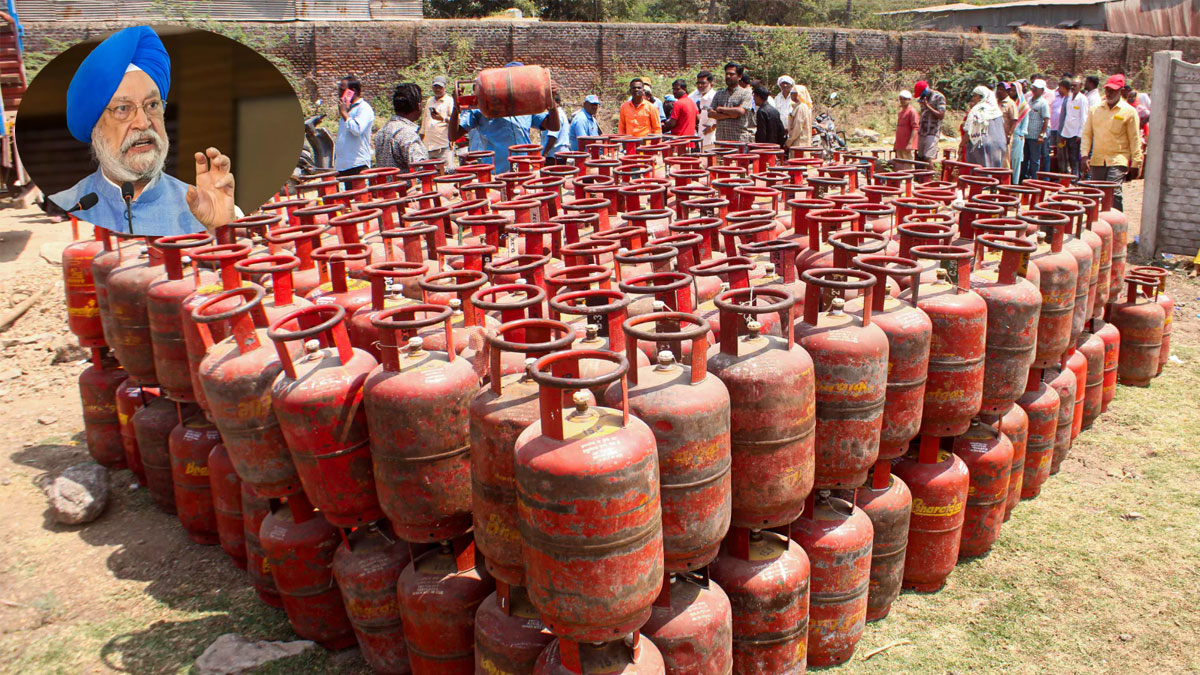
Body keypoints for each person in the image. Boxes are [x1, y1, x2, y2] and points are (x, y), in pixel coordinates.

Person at [48, 26, 234, 236]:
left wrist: (221, 229)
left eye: (152, 105)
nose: (143, 122)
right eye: (123, 109)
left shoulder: (197, 203)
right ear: (95, 129)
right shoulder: (70, 207)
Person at [448, 62, 560, 175]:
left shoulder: (527, 107)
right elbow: (453, 135)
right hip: (495, 172)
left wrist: (551, 99)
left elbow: (553, 126)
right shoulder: (482, 107)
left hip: (524, 169)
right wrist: (455, 109)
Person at [1081, 74, 1143, 210]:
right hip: (1098, 159)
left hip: (1118, 159)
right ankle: (1095, 225)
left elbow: (1134, 139)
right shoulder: (1095, 110)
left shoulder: (1129, 112)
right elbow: (1087, 135)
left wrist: (1136, 163)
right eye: (1107, 89)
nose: (1109, 93)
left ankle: (1116, 225)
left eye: (1113, 90)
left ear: (1120, 91)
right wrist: (1084, 155)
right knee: (1094, 192)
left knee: (1113, 192)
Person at [373, 83, 429, 172]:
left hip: (386, 184)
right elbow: (421, 169)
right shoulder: (407, 133)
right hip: (406, 185)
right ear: (419, 106)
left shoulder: (382, 131)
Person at [334, 75, 375, 177]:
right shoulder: (348, 109)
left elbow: (357, 130)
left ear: (353, 91)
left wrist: (344, 113)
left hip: (357, 164)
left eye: (342, 90)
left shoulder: (364, 108)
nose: (339, 94)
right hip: (343, 165)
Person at [707, 62, 754, 144]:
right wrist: (731, 114)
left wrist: (721, 109)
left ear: (739, 77)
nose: (728, 76)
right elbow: (710, 113)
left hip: (739, 140)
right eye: (727, 74)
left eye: (731, 74)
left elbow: (741, 111)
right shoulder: (719, 93)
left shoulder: (745, 93)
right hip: (721, 140)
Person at [962, 85, 1006, 168]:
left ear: (982, 97)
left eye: (975, 96)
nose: (973, 98)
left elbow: (969, 130)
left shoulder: (977, 109)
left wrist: (961, 145)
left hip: (982, 145)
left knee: (981, 173)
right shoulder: (997, 111)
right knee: (995, 172)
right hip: (1000, 145)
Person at [421, 75, 456, 169]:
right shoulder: (430, 101)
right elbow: (425, 119)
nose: (437, 90)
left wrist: (442, 118)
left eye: (440, 87)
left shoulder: (449, 101)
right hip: (429, 145)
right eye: (435, 87)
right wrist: (421, 135)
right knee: (431, 175)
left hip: (443, 145)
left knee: (447, 174)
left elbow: (455, 122)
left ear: (445, 87)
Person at [1057, 78, 1089, 178]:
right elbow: (1067, 117)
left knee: (1076, 157)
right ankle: (1072, 176)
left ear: (1080, 86)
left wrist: (1080, 134)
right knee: (1070, 157)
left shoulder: (1082, 99)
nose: (1073, 87)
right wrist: (1063, 134)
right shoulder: (1069, 98)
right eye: (1072, 85)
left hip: (1076, 134)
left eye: (1075, 85)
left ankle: (1077, 176)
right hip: (1068, 132)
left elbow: (1084, 118)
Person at [1021, 79, 1051, 181]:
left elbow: (1046, 120)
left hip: (1036, 136)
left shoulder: (1043, 103)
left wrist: (1042, 135)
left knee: (1035, 160)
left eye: (1036, 88)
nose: (1033, 90)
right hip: (1026, 135)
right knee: (1025, 159)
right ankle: (1024, 179)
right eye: (1033, 88)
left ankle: (1034, 180)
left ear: (1042, 90)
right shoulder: (1028, 100)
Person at [913, 80, 946, 163]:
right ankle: (919, 175)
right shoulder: (922, 99)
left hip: (932, 131)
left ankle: (930, 175)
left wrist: (927, 106)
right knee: (920, 157)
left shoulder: (939, 97)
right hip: (922, 131)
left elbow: (941, 115)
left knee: (928, 157)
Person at [1007, 82, 1031, 184]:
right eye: (1010, 90)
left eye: (1013, 91)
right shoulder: (1007, 103)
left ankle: (1015, 183)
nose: (1011, 93)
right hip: (1006, 135)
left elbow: (1024, 124)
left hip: (1017, 136)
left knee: (1015, 160)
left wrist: (1020, 135)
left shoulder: (1023, 106)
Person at [541, 92, 571, 164]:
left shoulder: (557, 116)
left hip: (554, 155)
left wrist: (544, 154)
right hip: (557, 153)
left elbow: (553, 137)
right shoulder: (560, 114)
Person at [691, 70, 717, 148]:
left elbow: (719, 116)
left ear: (711, 84)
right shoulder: (701, 97)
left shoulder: (713, 97)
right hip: (703, 136)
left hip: (711, 137)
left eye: (703, 83)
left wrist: (712, 128)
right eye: (698, 83)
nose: (700, 85)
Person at [786, 84, 814, 149]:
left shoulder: (801, 108)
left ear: (798, 94)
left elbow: (797, 128)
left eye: (792, 93)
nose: (791, 95)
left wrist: (788, 142)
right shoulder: (798, 106)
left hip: (799, 142)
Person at [997, 83, 1018, 168]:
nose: (998, 91)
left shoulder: (1011, 104)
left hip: (1005, 136)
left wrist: (1009, 134)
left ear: (1007, 91)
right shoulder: (995, 102)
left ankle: (1005, 179)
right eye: (998, 89)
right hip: (996, 135)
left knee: (1005, 160)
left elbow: (1014, 120)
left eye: (1001, 90)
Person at [894, 90, 919, 160]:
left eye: (905, 99)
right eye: (901, 99)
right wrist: (896, 143)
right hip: (900, 144)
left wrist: (910, 143)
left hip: (907, 145)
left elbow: (915, 128)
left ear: (909, 100)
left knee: (908, 165)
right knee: (900, 164)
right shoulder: (900, 113)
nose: (902, 101)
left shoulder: (912, 111)